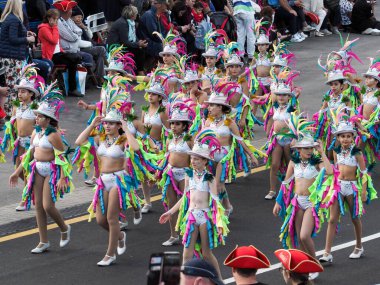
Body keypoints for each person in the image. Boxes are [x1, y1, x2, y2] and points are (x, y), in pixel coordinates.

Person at [9, 82, 73, 254]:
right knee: (38, 206)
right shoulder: (36, 132)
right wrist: (16, 172)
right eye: (36, 116)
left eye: (40, 116)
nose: (36, 118)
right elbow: (29, 153)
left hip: (51, 171)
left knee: (48, 206)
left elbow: (62, 157)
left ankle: (64, 227)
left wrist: (61, 177)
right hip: (37, 169)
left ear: (48, 119)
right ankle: (43, 241)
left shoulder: (53, 135)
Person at [75, 105, 141, 266]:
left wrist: (126, 129)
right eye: (105, 123)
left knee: (112, 218)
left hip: (117, 180)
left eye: (111, 123)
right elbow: (79, 141)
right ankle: (120, 236)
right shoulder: (101, 138)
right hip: (102, 181)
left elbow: (136, 148)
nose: (107, 126)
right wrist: (92, 125)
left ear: (118, 125)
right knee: (100, 220)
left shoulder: (124, 139)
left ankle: (109, 255)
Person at [159, 129, 229, 279]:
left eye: (197, 159)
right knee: (187, 254)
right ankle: (184, 281)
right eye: (192, 158)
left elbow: (215, 200)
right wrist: (170, 212)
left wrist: (219, 222)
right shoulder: (188, 175)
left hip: (204, 217)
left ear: (205, 161)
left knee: (206, 253)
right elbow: (185, 197)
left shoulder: (209, 178)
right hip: (191, 216)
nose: (193, 161)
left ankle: (219, 279)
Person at [319, 117, 377, 263]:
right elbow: (335, 170)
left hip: (351, 188)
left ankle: (359, 246)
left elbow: (364, 173)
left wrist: (363, 192)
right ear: (337, 137)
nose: (345, 139)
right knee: (332, 219)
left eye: (348, 136)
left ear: (353, 137)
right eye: (342, 136)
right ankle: (327, 253)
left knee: (354, 218)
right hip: (338, 187)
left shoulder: (357, 153)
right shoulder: (335, 151)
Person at [1, 64, 43, 211]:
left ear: (31, 94)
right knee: (19, 170)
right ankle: (34, 188)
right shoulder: (16, 106)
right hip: (19, 142)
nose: (20, 94)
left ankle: (25, 200)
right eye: (19, 91)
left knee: (24, 170)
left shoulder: (36, 107)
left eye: (24, 91)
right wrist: (10, 138)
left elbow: (44, 123)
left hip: (31, 144)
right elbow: (13, 123)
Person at [0, 0, 36, 117]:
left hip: (10, 57)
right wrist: (27, 39)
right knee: (12, 88)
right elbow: (13, 39)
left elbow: (12, 36)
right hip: (12, 59)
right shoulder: (14, 19)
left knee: (12, 87)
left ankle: (9, 114)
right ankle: (10, 115)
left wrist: (25, 34)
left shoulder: (9, 18)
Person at [53, 0, 92, 97]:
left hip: (71, 50)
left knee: (76, 57)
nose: (71, 11)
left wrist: (74, 34)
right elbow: (71, 37)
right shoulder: (59, 22)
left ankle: (79, 85)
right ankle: (73, 88)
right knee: (74, 59)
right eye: (70, 10)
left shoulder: (69, 20)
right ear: (64, 12)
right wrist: (74, 35)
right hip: (62, 51)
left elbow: (79, 31)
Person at [71, 5, 107, 86]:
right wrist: (90, 44)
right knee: (101, 49)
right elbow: (78, 42)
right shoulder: (72, 26)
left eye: (80, 17)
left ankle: (100, 79)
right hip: (81, 48)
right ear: (72, 18)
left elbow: (90, 36)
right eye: (77, 17)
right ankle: (102, 76)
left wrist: (85, 27)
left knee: (100, 57)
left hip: (88, 47)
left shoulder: (82, 25)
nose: (79, 19)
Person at [107, 5, 148, 74]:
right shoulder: (122, 24)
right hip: (116, 48)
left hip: (122, 45)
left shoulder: (129, 23)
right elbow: (125, 42)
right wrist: (138, 44)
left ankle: (139, 70)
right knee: (140, 50)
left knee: (142, 48)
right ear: (132, 15)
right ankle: (139, 71)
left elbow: (133, 37)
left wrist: (138, 42)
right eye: (136, 14)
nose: (137, 16)